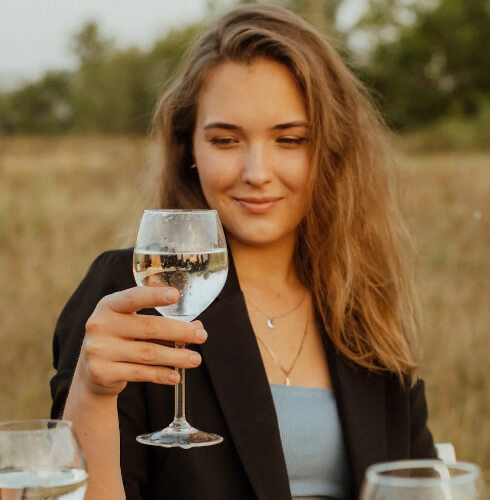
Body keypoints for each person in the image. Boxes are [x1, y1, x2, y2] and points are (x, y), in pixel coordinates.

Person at [50, 4, 436, 500]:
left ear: (331, 148)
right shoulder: (130, 294)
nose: (257, 171)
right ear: (189, 148)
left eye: (290, 139)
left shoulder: (360, 304)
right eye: (226, 139)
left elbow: (419, 486)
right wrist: (91, 394)